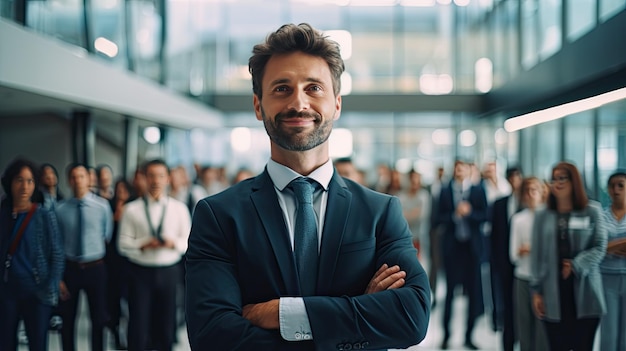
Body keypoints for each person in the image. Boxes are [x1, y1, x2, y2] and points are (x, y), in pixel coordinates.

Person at [185, 23, 430, 351]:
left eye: (313, 88)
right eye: (282, 88)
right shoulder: (218, 215)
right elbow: (211, 335)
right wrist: (357, 313)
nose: (299, 104)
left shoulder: (380, 210)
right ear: (258, 106)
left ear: (337, 104)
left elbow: (411, 316)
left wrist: (282, 313)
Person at [530, 161, 607, 351]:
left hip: (585, 291)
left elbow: (600, 247)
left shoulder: (592, 211)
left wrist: (576, 265)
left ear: (574, 181)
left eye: (562, 178)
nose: (558, 182)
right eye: (554, 178)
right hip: (552, 292)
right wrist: (536, 291)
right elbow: (537, 256)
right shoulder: (543, 216)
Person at [118, 159, 191, 351]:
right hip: (140, 272)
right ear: (143, 178)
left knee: (166, 325)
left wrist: (173, 243)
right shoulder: (131, 209)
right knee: (138, 325)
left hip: (169, 271)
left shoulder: (179, 208)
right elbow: (122, 244)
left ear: (168, 179)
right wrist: (142, 245)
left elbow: (188, 242)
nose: (155, 180)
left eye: (160, 175)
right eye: (151, 175)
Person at [0, 158, 65, 351]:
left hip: (37, 290)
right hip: (7, 290)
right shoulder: (3, 214)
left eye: (30, 181)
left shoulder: (43, 215)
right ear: (10, 182)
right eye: (19, 180)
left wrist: (51, 286)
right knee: (5, 343)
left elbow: (57, 254)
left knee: (37, 344)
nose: (24, 186)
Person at [55, 163, 113, 351]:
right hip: (70, 268)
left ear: (89, 179)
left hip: (95, 267)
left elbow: (107, 235)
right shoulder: (60, 209)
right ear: (69, 181)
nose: (78, 180)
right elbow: (57, 242)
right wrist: (59, 277)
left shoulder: (102, 206)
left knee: (98, 318)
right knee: (68, 318)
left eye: (82, 176)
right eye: (74, 177)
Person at [437, 159, 487, 350]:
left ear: (468, 171)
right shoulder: (445, 191)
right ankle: (446, 336)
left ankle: (469, 336)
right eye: (457, 168)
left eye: (463, 168)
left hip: (472, 250)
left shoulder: (477, 190)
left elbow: (485, 216)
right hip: (453, 249)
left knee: (473, 294)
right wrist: (454, 216)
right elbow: (437, 219)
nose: (459, 171)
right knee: (449, 294)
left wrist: (469, 213)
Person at [509, 176, 548, 351]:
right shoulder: (518, 219)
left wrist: (530, 248)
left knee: (542, 329)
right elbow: (514, 255)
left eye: (535, 190)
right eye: (528, 190)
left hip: (544, 279)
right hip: (523, 277)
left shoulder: (548, 218)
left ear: (542, 192)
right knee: (523, 327)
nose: (532, 194)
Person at [489, 166, 522, 351]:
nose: (515, 181)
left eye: (518, 177)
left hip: (524, 265)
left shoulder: (529, 203)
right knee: (507, 306)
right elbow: (493, 236)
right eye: (512, 177)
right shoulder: (499, 203)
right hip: (503, 264)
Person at [599, 170, 626, 351]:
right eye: (612, 186)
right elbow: (596, 248)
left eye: (621, 186)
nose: (616, 190)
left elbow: (604, 246)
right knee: (609, 333)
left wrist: (610, 245)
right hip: (606, 278)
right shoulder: (601, 216)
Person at [399, 169, 430, 261]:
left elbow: (421, 216)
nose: (415, 183)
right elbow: (401, 217)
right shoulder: (401, 196)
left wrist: (408, 213)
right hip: (405, 237)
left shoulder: (423, 196)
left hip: (419, 236)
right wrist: (413, 212)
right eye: (413, 181)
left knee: (421, 262)